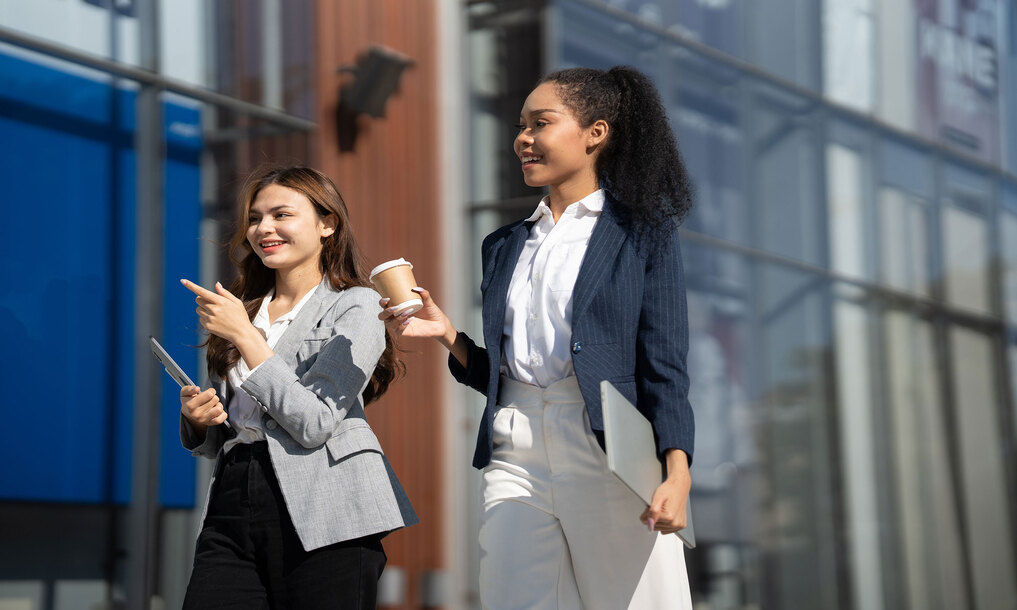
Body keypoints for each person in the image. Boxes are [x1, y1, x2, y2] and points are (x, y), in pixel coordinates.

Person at [381, 66, 696, 609]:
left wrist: (678, 471)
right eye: (520, 126)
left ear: (595, 133)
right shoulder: (504, 244)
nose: (522, 139)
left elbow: (664, 365)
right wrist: (448, 334)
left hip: (608, 449)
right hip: (515, 451)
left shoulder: (642, 234)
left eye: (540, 123)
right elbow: (508, 372)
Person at [178, 165, 417, 609]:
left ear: (327, 224)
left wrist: (246, 337)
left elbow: (315, 421)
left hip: (326, 500)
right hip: (233, 493)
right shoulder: (245, 310)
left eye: (281, 215)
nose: (263, 228)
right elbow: (227, 432)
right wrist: (197, 421)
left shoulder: (358, 305)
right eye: (254, 218)